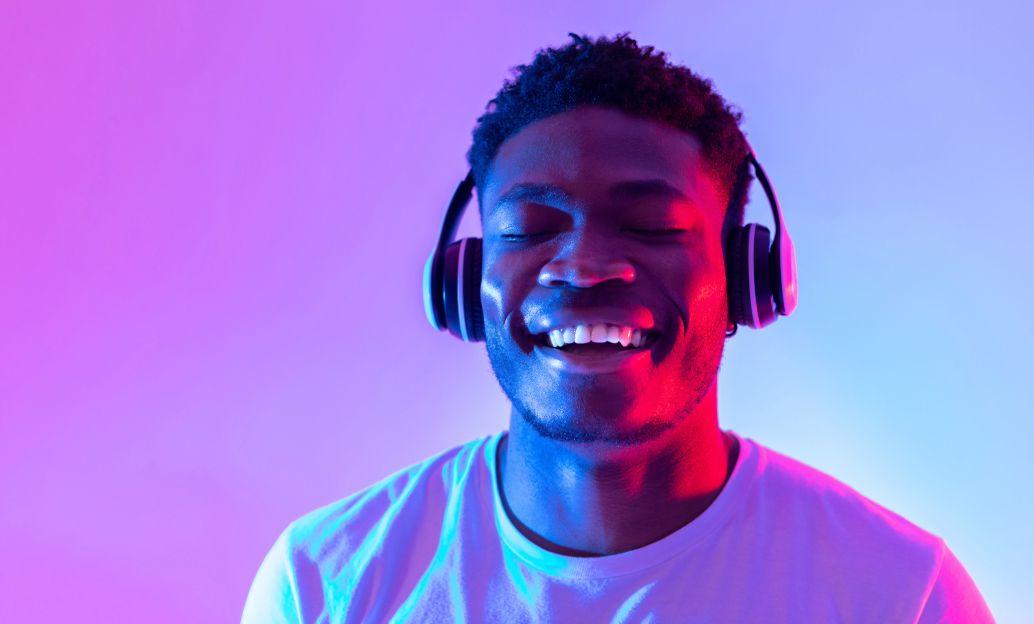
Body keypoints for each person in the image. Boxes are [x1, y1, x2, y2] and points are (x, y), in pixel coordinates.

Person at [242, 34, 994, 623]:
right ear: (466, 283)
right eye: (531, 227)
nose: (586, 265)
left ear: (746, 276)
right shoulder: (327, 586)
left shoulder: (899, 596)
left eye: (653, 226)